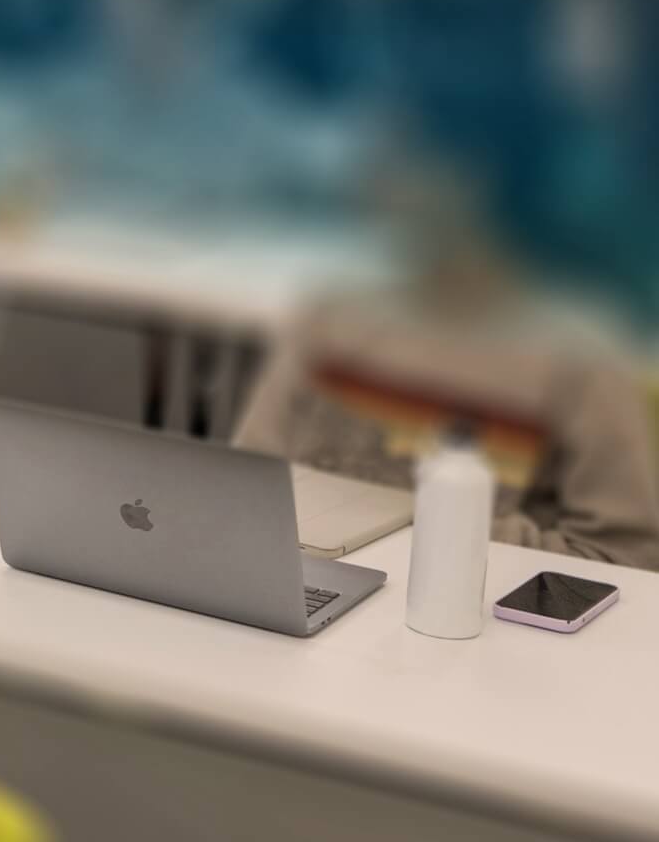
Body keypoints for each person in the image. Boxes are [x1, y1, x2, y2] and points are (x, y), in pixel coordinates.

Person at [234, 166, 659, 571]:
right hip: (302, 587)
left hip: (474, 611)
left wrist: (416, 534)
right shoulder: (332, 320)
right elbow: (243, 486)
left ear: (478, 173)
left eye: (407, 146)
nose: (376, 166)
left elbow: (621, 556)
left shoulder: (581, 358)